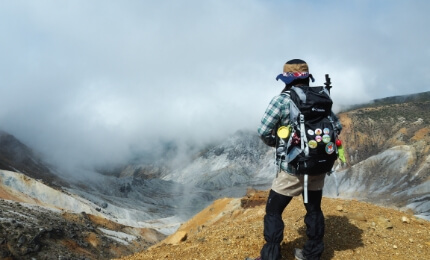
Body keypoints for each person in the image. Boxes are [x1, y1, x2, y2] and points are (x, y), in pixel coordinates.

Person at [249, 59, 342, 260]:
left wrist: (280, 143)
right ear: (307, 77)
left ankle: (271, 256)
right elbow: (337, 127)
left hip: (292, 169)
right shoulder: (321, 98)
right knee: (314, 209)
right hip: (318, 167)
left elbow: (264, 131)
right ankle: (312, 255)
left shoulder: (281, 100)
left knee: (274, 211)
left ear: (286, 79)